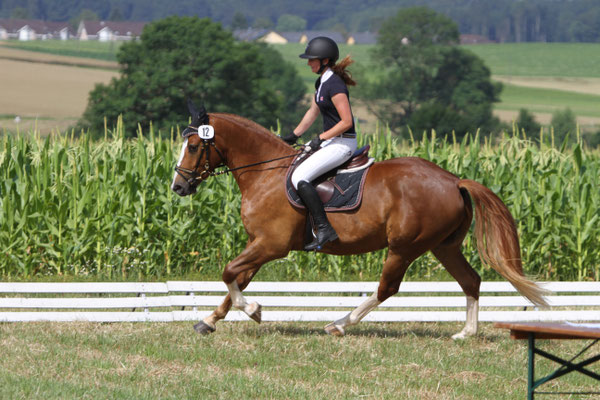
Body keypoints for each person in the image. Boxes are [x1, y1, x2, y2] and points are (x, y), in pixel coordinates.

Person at [280, 36, 357, 251]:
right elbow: (312, 112)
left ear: (325, 60)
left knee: (299, 177)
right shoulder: (321, 81)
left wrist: (319, 139)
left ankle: (324, 229)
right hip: (332, 142)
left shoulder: (335, 84)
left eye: (312, 59)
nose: (308, 63)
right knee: (294, 167)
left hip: (342, 144)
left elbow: (346, 121)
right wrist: (293, 135)